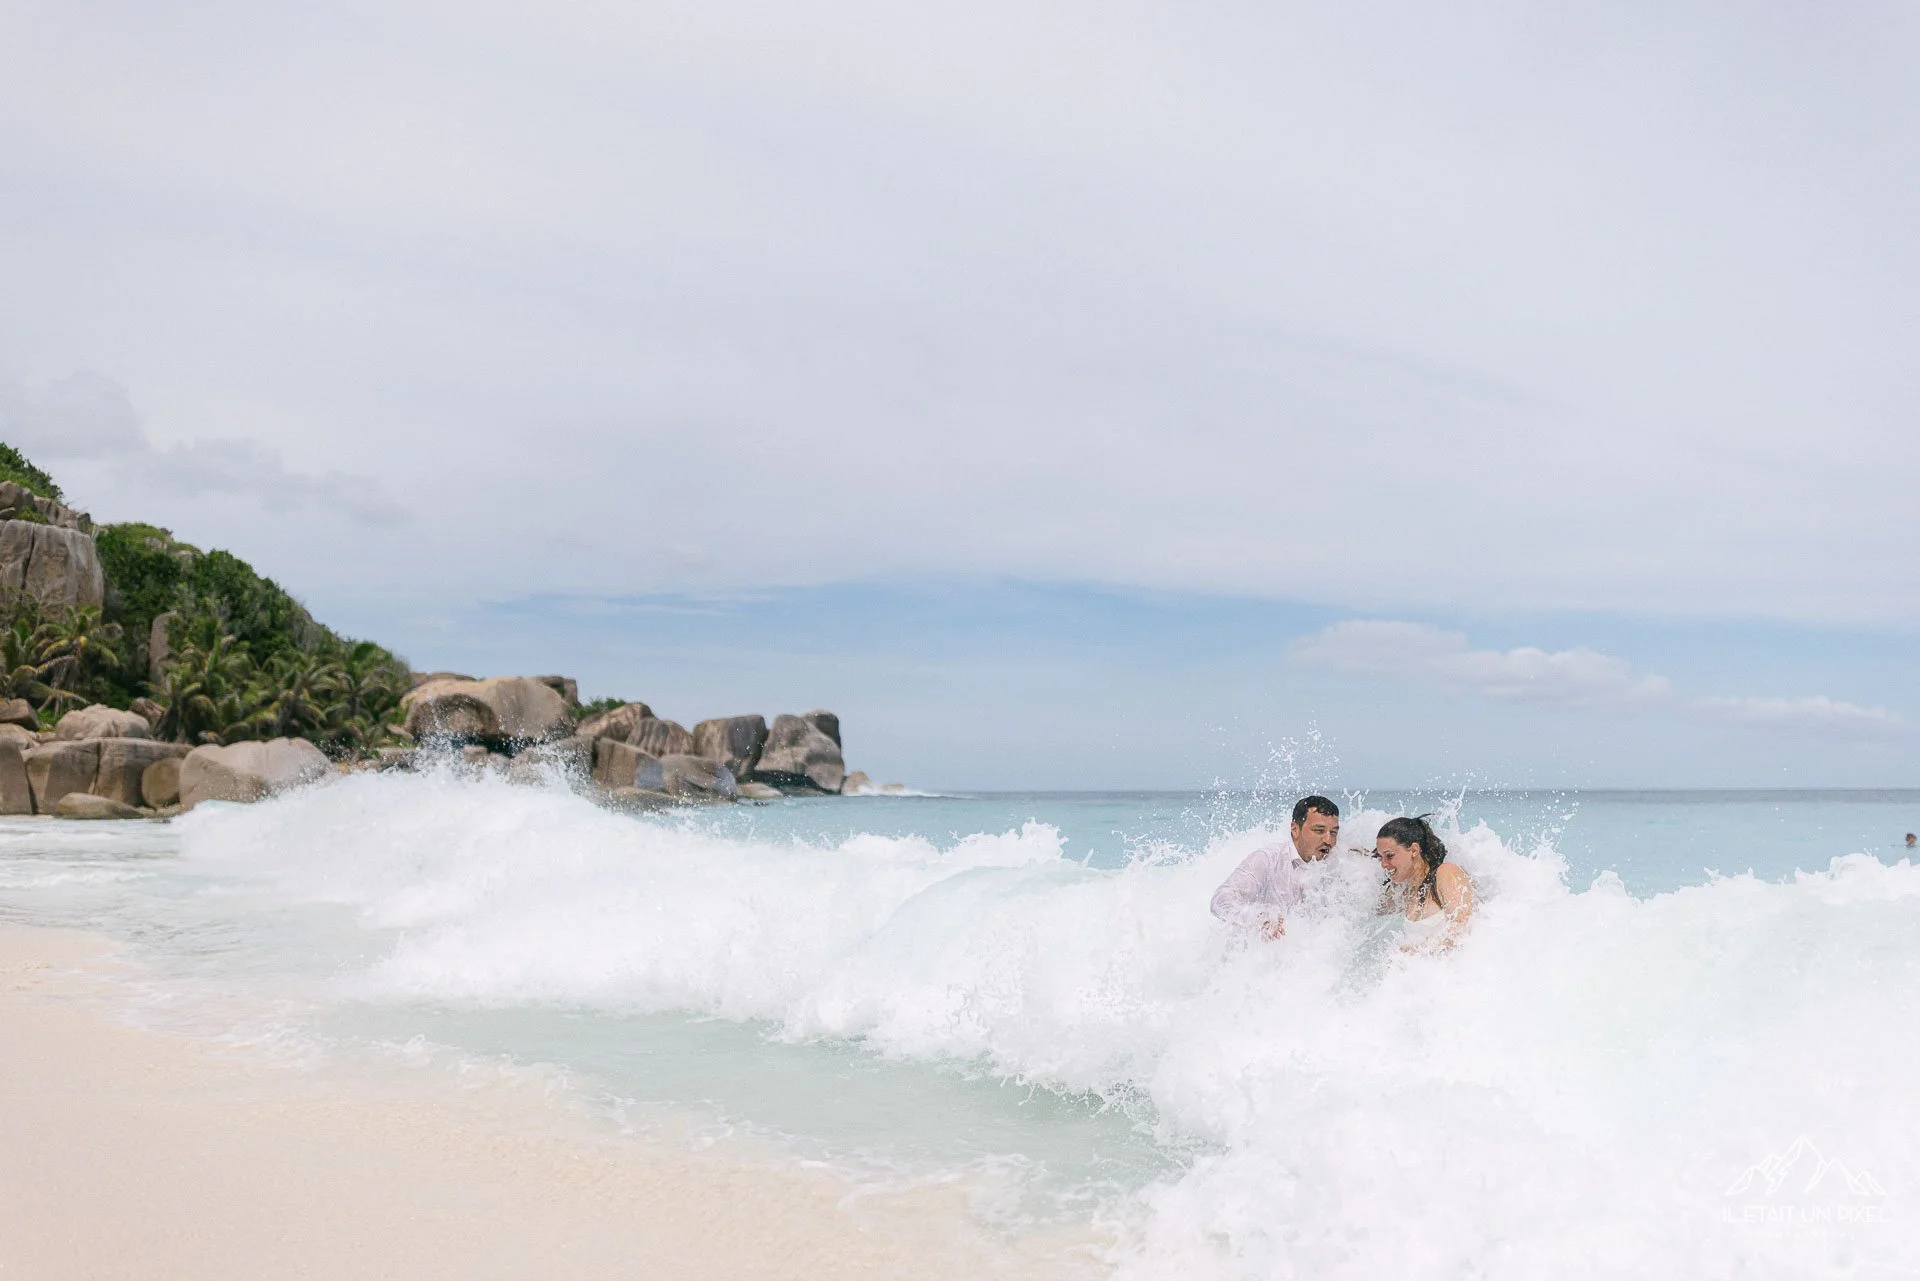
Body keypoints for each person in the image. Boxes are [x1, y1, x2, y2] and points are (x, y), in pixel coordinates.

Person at [1210, 796, 1342, 939]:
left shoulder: (1337, 864)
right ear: (1295, 829)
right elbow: (1220, 900)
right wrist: (1257, 917)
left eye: (1333, 832)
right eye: (1319, 831)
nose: (1328, 840)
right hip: (1255, 950)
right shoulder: (1267, 859)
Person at [1374, 815, 1475, 951]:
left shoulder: (1446, 873)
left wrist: (1418, 951)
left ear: (1414, 850)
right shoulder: (1406, 892)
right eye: (1380, 857)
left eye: (1389, 855)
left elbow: (1464, 926)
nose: (1383, 864)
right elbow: (1372, 911)